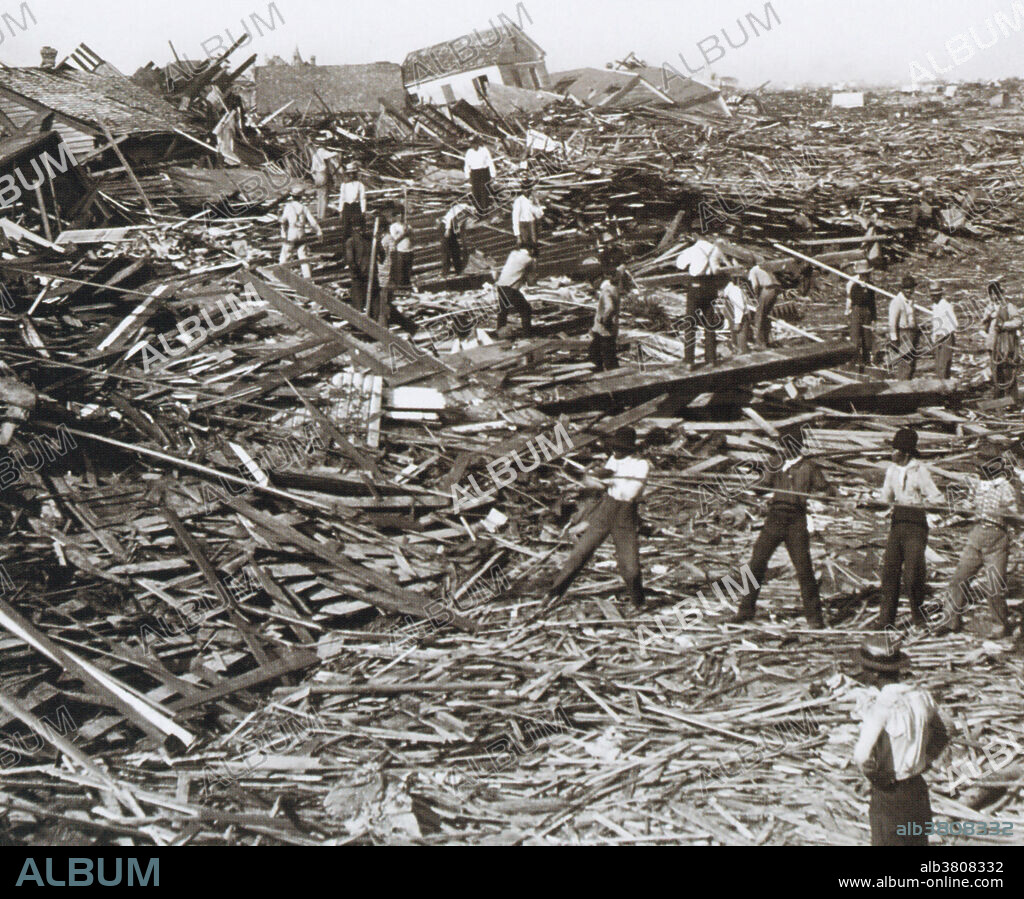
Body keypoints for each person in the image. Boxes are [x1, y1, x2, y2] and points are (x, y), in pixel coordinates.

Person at [851, 635, 949, 847]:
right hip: (917, 790)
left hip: (890, 795)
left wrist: (878, 778)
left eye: (865, 669)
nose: (862, 673)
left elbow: (861, 755)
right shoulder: (920, 697)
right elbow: (943, 733)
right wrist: (925, 760)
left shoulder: (880, 706)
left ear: (875, 673)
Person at [731, 431, 834, 627]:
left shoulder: (809, 467)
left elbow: (826, 490)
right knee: (757, 562)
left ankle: (815, 618)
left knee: (804, 568)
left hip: (796, 520)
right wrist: (746, 486)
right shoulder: (776, 463)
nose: (782, 450)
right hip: (775, 518)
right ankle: (746, 610)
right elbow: (762, 486)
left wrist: (824, 494)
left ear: (796, 447)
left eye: (786, 446)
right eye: (781, 447)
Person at [548, 427, 647, 607]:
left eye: (619, 448)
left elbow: (630, 493)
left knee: (630, 567)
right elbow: (598, 484)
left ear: (628, 449)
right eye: (614, 447)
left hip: (625, 514)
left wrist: (610, 480)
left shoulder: (641, 465)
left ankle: (638, 602)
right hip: (606, 509)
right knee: (579, 553)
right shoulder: (614, 459)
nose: (615, 451)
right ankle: (554, 593)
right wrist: (586, 477)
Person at [939, 444, 1022, 638]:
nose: (979, 470)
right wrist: (962, 507)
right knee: (959, 579)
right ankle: (950, 621)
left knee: (994, 586)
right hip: (976, 535)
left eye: (982, 467)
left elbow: (1016, 515)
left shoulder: (1005, 488)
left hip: (996, 538)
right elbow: (970, 504)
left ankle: (1000, 624)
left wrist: (1006, 513)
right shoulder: (978, 485)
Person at [878, 427, 943, 629]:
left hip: (915, 524)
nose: (892, 454)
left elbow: (937, 498)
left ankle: (919, 619)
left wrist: (923, 504)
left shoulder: (919, 471)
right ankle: (886, 620)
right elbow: (885, 497)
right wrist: (872, 504)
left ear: (906, 453)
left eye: (896, 450)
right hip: (898, 522)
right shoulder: (891, 470)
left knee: (913, 574)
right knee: (890, 571)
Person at [675, 237, 730, 367]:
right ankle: (711, 359)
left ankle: (689, 361)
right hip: (711, 287)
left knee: (690, 324)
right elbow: (723, 265)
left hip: (696, 287)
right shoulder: (716, 249)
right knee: (709, 324)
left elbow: (680, 265)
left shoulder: (692, 250)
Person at [983, 282, 1021, 401]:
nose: (994, 297)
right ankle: (998, 399)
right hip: (992, 344)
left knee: (1008, 372)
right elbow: (984, 326)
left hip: (1005, 345)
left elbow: (1018, 321)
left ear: (1000, 293)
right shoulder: (989, 308)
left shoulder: (1008, 306)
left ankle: (1011, 399)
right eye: (991, 294)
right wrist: (987, 318)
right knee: (996, 373)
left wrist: (1004, 325)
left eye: (996, 294)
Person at [279, 188, 321, 279]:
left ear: (292, 196)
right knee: (303, 257)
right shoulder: (304, 208)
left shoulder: (288, 207)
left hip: (291, 233)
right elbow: (313, 222)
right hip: (301, 233)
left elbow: (283, 221)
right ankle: (307, 277)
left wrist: (283, 233)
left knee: (285, 255)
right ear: (301, 197)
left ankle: (281, 275)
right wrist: (319, 231)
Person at [494, 245, 536, 337]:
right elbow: (531, 281)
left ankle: (499, 332)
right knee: (526, 310)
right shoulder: (530, 260)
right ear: (532, 251)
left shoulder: (513, 253)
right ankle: (527, 335)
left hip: (501, 286)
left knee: (503, 311)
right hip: (510, 288)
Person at [845, 260, 877, 372]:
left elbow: (872, 302)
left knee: (867, 340)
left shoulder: (871, 286)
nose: (865, 277)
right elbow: (857, 300)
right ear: (860, 275)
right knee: (855, 339)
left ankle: (866, 362)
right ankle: (852, 364)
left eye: (867, 275)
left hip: (867, 312)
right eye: (863, 275)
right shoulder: (855, 286)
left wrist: (874, 318)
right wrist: (863, 289)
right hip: (857, 312)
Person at [888, 275, 920, 380]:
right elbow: (892, 322)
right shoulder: (897, 302)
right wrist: (894, 339)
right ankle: (902, 382)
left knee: (911, 360)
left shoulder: (911, 300)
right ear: (902, 289)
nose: (909, 291)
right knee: (905, 360)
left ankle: (908, 381)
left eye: (911, 288)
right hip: (903, 333)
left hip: (912, 332)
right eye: (906, 288)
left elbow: (912, 317)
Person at [589, 274, 620, 372]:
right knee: (606, 353)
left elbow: (610, 308)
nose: (592, 285)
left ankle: (605, 373)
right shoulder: (614, 289)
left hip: (604, 329)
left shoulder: (606, 290)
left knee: (602, 354)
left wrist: (604, 320)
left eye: (592, 282)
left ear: (598, 280)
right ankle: (609, 372)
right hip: (610, 328)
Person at [343, 226, 377, 312]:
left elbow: (350, 261)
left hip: (361, 275)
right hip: (367, 274)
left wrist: (357, 272)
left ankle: (361, 317)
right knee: (369, 301)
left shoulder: (352, 241)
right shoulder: (369, 240)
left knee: (359, 302)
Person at [749, 262, 782, 348]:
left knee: (759, 316)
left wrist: (756, 295)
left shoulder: (753, 270)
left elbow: (755, 286)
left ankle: (761, 342)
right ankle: (768, 339)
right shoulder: (764, 267)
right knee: (766, 315)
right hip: (775, 289)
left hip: (767, 289)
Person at [930, 283, 957, 380]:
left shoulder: (946, 306)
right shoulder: (935, 306)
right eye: (932, 295)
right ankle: (939, 384)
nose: (933, 298)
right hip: (938, 339)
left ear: (940, 295)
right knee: (938, 365)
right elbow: (935, 324)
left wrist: (943, 334)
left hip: (946, 338)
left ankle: (944, 384)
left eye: (935, 295)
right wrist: (934, 337)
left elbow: (954, 324)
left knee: (944, 364)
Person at [722, 274, 753, 355]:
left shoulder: (734, 291)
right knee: (735, 343)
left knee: (741, 346)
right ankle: (737, 350)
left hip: (741, 318)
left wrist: (737, 322)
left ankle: (743, 352)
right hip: (734, 318)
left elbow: (739, 308)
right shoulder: (727, 292)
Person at [439, 202, 472, 275]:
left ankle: (458, 270)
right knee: (446, 249)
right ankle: (445, 271)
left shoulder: (467, 211)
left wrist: (463, 239)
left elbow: (462, 226)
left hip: (451, 228)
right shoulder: (463, 208)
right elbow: (450, 219)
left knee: (456, 249)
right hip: (446, 227)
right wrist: (448, 229)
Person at [336, 162, 367, 241]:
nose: (351, 175)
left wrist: (363, 210)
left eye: (353, 173)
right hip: (347, 206)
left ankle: (359, 242)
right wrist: (340, 210)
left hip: (356, 206)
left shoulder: (360, 184)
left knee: (358, 226)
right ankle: (346, 243)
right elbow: (342, 198)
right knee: (346, 227)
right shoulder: (344, 185)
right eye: (349, 174)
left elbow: (363, 198)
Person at [512, 181, 545, 253]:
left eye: (528, 189)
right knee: (525, 246)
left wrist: (540, 210)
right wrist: (518, 235)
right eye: (524, 189)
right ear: (522, 190)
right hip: (523, 225)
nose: (527, 191)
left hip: (532, 224)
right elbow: (515, 219)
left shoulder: (533, 199)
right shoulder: (519, 201)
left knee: (534, 245)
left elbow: (538, 213)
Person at [464, 140, 496, 213]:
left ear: (478, 144)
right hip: (474, 173)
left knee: (484, 192)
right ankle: (478, 211)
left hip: (483, 172)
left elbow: (490, 162)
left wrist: (493, 174)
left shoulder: (484, 150)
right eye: (472, 144)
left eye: (475, 144)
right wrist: (467, 176)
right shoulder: (469, 152)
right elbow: (466, 165)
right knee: (476, 192)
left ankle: (485, 210)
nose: (474, 146)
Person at [309, 145, 338, 220]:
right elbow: (331, 154)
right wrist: (337, 152)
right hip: (322, 175)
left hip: (317, 176)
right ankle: (322, 215)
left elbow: (312, 170)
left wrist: (315, 178)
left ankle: (319, 214)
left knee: (320, 197)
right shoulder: (322, 152)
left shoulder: (315, 155)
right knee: (324, 196)